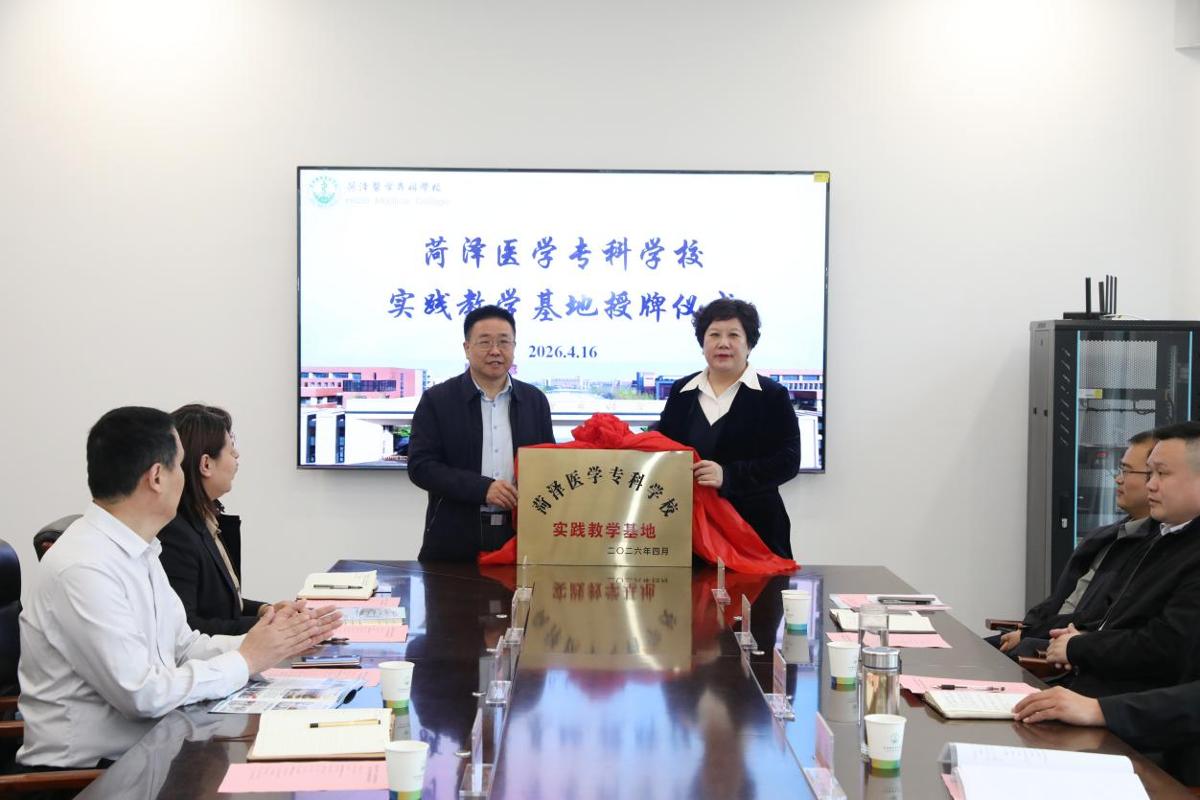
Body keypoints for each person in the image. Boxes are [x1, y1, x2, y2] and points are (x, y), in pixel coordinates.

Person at [16, 407, 340, 770]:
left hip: (148, 756)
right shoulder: (83, 567)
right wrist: (246, 659)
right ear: (157, 477)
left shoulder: (140, 549)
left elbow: (183, 647)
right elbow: (142, 695)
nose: (185, 478)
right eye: (180, 466)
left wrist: (272, 644)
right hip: (89, 778)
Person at [1039, 421, 1200, 698]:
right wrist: (1075, 637)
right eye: (1150, 473)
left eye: (1162, 473)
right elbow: (1112, 617)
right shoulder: (1161, 538)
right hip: (1092, 688)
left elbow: (1166, 647)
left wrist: (1079, 646)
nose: (1151, 485)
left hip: (1129, 706)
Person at [408, 305, 555, 561]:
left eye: (504, 342)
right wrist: (482, 488)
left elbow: (549, 464)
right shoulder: (438, 400)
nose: (495, 350)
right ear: (467, 348)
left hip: (520, 534)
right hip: (454, 536)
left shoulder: (535, 400)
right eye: (485, 342)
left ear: (514, 346)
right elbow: (421, 467)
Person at [657, 298, 800, 558]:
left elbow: (788, 461)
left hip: (754, 532)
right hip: (691, 531)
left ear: (749, 344)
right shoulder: (681, 392)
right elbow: (662, 446)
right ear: (702, 343)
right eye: (714, 335)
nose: (723, 343)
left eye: (734, 335)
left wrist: (729, 475)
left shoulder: (772, 395)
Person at [159, 404, 319, 635]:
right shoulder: (175, 534)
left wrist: (266, 611)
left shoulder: (204, 520)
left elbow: (221, 603)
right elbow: (187, 629)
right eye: (231, 448)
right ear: (206, 464)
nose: (237, 455)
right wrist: (272, 627)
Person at [993, 431, 1157, 656]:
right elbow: (1059, 600)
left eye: (1127, 471)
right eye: (1120, 470)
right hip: (1048, 634)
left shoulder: (1153, 548)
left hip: (1065, 648)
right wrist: (1029, 627)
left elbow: (1096, 615)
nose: (1118, 479)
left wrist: (1031, 633)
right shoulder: (1107, 536)